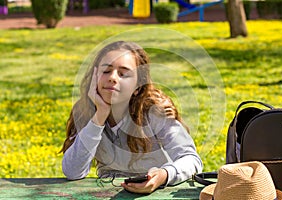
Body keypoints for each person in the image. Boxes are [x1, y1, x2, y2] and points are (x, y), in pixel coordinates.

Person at [60, 41, 203, 194]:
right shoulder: (85, 112)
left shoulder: (155, 112)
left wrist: (163, 175)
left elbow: (191, 159)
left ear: (138, 86)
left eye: (123, 73)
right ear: (95, 76)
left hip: (158, 194)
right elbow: (73, 171)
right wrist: (100, 115)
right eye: (106, 71)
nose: (113, 78)